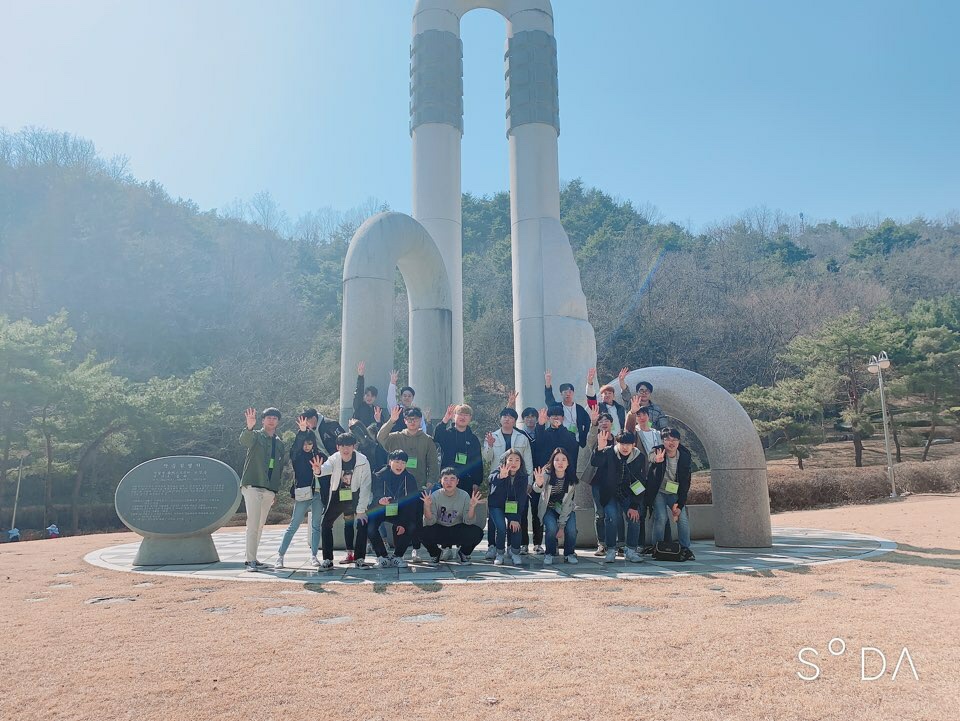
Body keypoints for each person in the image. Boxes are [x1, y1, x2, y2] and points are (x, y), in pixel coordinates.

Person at [377, 406, 438, 561]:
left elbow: (433, 463)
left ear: (420, 421)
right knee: (398, 522)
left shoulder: (427, 440)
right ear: (404, 420)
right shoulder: (396, 437)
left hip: (418, 488)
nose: (412, 422)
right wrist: (391, 420)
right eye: (409, 419)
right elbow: (380, 437)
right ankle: (399, 554)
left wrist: (430, 482)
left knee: (416, 520)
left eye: (416, 419)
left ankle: (416, 549)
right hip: (396, 489)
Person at [481, 407, 533, 559]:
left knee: (516, 516)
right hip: (498, 483)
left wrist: (529, 481)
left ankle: (513, 547)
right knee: (495, 521)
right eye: (504, 416)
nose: (507, 419)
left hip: (517, 482)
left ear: (515, 420)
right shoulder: (493, 436)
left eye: (510, 417)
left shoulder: (522, 437)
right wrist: (489, 445)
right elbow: (486, 458)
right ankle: (492, 547)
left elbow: (527, 460)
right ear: (500, 419)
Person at [240, 407, 286, 572]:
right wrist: (249, 427)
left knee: (259, 525)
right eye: (268, 417)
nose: (271, 420)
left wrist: (275, 491)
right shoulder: (256, 435)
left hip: (269, 488)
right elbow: (244, 441)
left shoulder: (279, 443)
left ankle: (254, 558)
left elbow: (279, 467)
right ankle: (250, 560)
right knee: (252, 523)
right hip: (252, 484)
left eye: (274, 418)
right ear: (263, 420)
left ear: (278, 422)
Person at [590, 430, 647, 564]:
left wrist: (634, 505)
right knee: (611, 517)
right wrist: (599, 448)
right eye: (622, 443)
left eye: (628, 444)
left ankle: (631, 550)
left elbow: (640, 481)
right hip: (609, 493)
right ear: (617, 443)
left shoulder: (639, 457)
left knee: (635, 517)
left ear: (634, 444)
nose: (625, 447)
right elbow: (595, 462)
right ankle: (610, 550)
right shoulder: (608, 452)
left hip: (628, 492)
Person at [318, 433, 373, 569]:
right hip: (338, 494)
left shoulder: (363, 461)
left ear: (354, 446)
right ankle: (328, 560)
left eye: (348, 445)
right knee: (326, 524)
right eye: (342, 446)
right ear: (338, 447)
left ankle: (360, 558)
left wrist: (361, 510)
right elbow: (326, 468)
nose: (345, 449)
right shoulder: (334, 458)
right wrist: (318, 470)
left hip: (355, 494)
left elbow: (366, 485)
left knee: (362, 522)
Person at [275, 431, 327, 570]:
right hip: (303, 494)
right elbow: (295, 448)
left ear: (313, 444)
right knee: (293, 525)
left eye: (309, 443)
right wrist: (302, 432)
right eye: (304, 443)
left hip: (318, 495)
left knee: (316, 526)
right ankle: (280, 556)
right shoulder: (298, 456)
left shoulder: (321, 456)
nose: (306, 446)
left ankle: (314, 556)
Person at [577, 408, 624, 557]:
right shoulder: (595, 438)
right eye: (601, 421)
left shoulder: (617, 439)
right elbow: (590, 439)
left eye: (607, 421)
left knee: (616, 513)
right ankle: (601, 544)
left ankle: (619, 543)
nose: (604, 423)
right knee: (600, 514)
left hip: (614, 482)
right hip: (597, 481)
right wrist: (592, 423)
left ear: (611, 423)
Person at [361, 449, 419, 568]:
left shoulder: (410, 479)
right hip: (382, 508)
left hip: (400, 510)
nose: (400, 465)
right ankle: (382, 556)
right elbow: (375, 495)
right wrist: (380, 501)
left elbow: (412, 503)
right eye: (397, 462)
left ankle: (397, 556)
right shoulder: (379, 475)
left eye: (403, 463)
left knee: (411, 524)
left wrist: (403, 522)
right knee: (370, 525)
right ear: (390, 462)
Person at [647, 427, 695, 560]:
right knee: (661, 518)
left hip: (675, 492)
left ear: (679, 441)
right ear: (663, 441)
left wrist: (680, 504)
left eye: (674, 439)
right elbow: (651, 457)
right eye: (667, 439)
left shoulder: (684, 455)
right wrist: (657, 460)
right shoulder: (658, 450)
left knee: (682, 518)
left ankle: (685, 548)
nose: (671, 442)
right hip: (659, 492)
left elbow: (686, 481)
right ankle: (657, 547)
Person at [421, 467, 484, 564]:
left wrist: (472, 507)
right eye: (445, 479)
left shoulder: (464, 495)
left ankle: (463, 553)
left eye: (452, 479)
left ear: (457, 481)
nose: (449, 482)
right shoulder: (434, 495)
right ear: (440, 481)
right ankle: (435, 553)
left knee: (477, 533)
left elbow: (469, 521)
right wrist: (427, 506)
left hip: (457, 529)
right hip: (440, 529)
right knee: (422, 532)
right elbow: (430, 522)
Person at [533, 448, 579, 565]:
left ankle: (569, 553)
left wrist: (562, 526)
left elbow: (568, 503)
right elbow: (537, 489)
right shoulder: (546, 474)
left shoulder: (571, 479)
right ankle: (549, 553)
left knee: (572, 529)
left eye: (564, 460)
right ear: (552, 462)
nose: (560, 462)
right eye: (557, 459)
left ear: (568, 463)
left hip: (565, 508)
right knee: (552, 528)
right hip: (549, 508)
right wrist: (538, 483)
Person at [486, 449, 529, 566]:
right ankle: (500, 553)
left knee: (516, 526)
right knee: (501, 528)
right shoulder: (499, 471)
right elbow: (491, 479)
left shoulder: (523, 477)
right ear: (505, 461)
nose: (513, 463)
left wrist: (515, 517)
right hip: (496, 505)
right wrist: (501, 476)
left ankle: (515, 552)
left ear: (521, 463)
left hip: (512, 506)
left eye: (517, 460)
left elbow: (521, 498)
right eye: (510, 460)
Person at [432, 404, 483, 494]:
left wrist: (476, 482)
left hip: (466, 480)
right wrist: (445, 420)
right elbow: (436, 437)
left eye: (466, 415)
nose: (463, 417)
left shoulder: (473, 439)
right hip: (447, 478)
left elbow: (477, 461)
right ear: (454, 416)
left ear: (470, 418)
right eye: (460, 414)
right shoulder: (447, 434)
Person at [518, 405, 545, 554]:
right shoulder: (520, 435)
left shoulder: (542, 433)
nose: (530, 419)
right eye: (527, 417)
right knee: (522, 511)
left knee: (538, 511)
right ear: (523, 420)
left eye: (533, 416)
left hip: (540, 476)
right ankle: (523, 544)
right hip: (523, 477)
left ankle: (538, 543)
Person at [544, 369, 593, 449]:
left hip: (576, 442)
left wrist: (583, 436)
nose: (568, 394)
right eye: (565, 392)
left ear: (573, 393)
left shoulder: (579, 408)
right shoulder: (557, 407)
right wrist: (548, 384)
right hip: (560, 441)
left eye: (570, 392)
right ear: (561, 394)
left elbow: (588, 422)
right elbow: (549, 399)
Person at [588, 368, 626, 434]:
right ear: (601, 396)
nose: (607, 395)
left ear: (614, 395)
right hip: (604, 438)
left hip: (619, 438)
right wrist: (590, 383)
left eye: (609, 393)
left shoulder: (620, 408)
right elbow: (591, 399)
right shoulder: (598, 407)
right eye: (605, 393)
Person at [351, 360, 382, 427]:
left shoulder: (377, 410)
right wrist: (360, 376)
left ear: (375, 398)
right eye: (367, 395)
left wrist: (378, 421)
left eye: (372, 396)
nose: (369, 398)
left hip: (372, 436)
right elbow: (359, 392)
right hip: (359, 436)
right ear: (364, 396)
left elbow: (382, 429)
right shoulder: (359, 406)